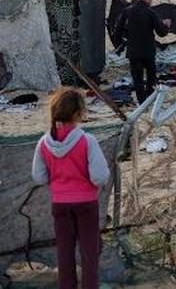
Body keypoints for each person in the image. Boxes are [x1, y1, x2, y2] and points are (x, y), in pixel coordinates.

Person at [32, 87, 110, 289]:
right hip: (86, 204)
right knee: (89, 255)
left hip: (60, 205)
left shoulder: (44, 143)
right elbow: (100, 176)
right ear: (78, 114)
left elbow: (38, 177)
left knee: (64, 254)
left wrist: (58, 180)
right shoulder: (87, 141)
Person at [114, 0, 170, 104]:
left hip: (133, 52)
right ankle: (149, 100)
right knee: (151, 78)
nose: (152, 1)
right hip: (148, 51)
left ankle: (141, 103)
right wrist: (167, 25)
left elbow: (117, 31)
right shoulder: (151, 13)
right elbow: (162, 33)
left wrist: (121, 44)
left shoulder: (127, 11)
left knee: (138, 79)